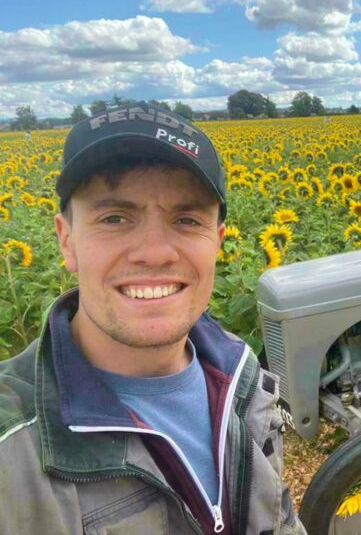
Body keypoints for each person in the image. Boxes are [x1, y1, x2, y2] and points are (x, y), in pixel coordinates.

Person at [0, 103, 306, 534]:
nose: (155, 251)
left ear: (218, 242)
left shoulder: (243, 378)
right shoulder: (13, 450)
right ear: (66, 240)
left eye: (186, 219)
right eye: (114, 218)